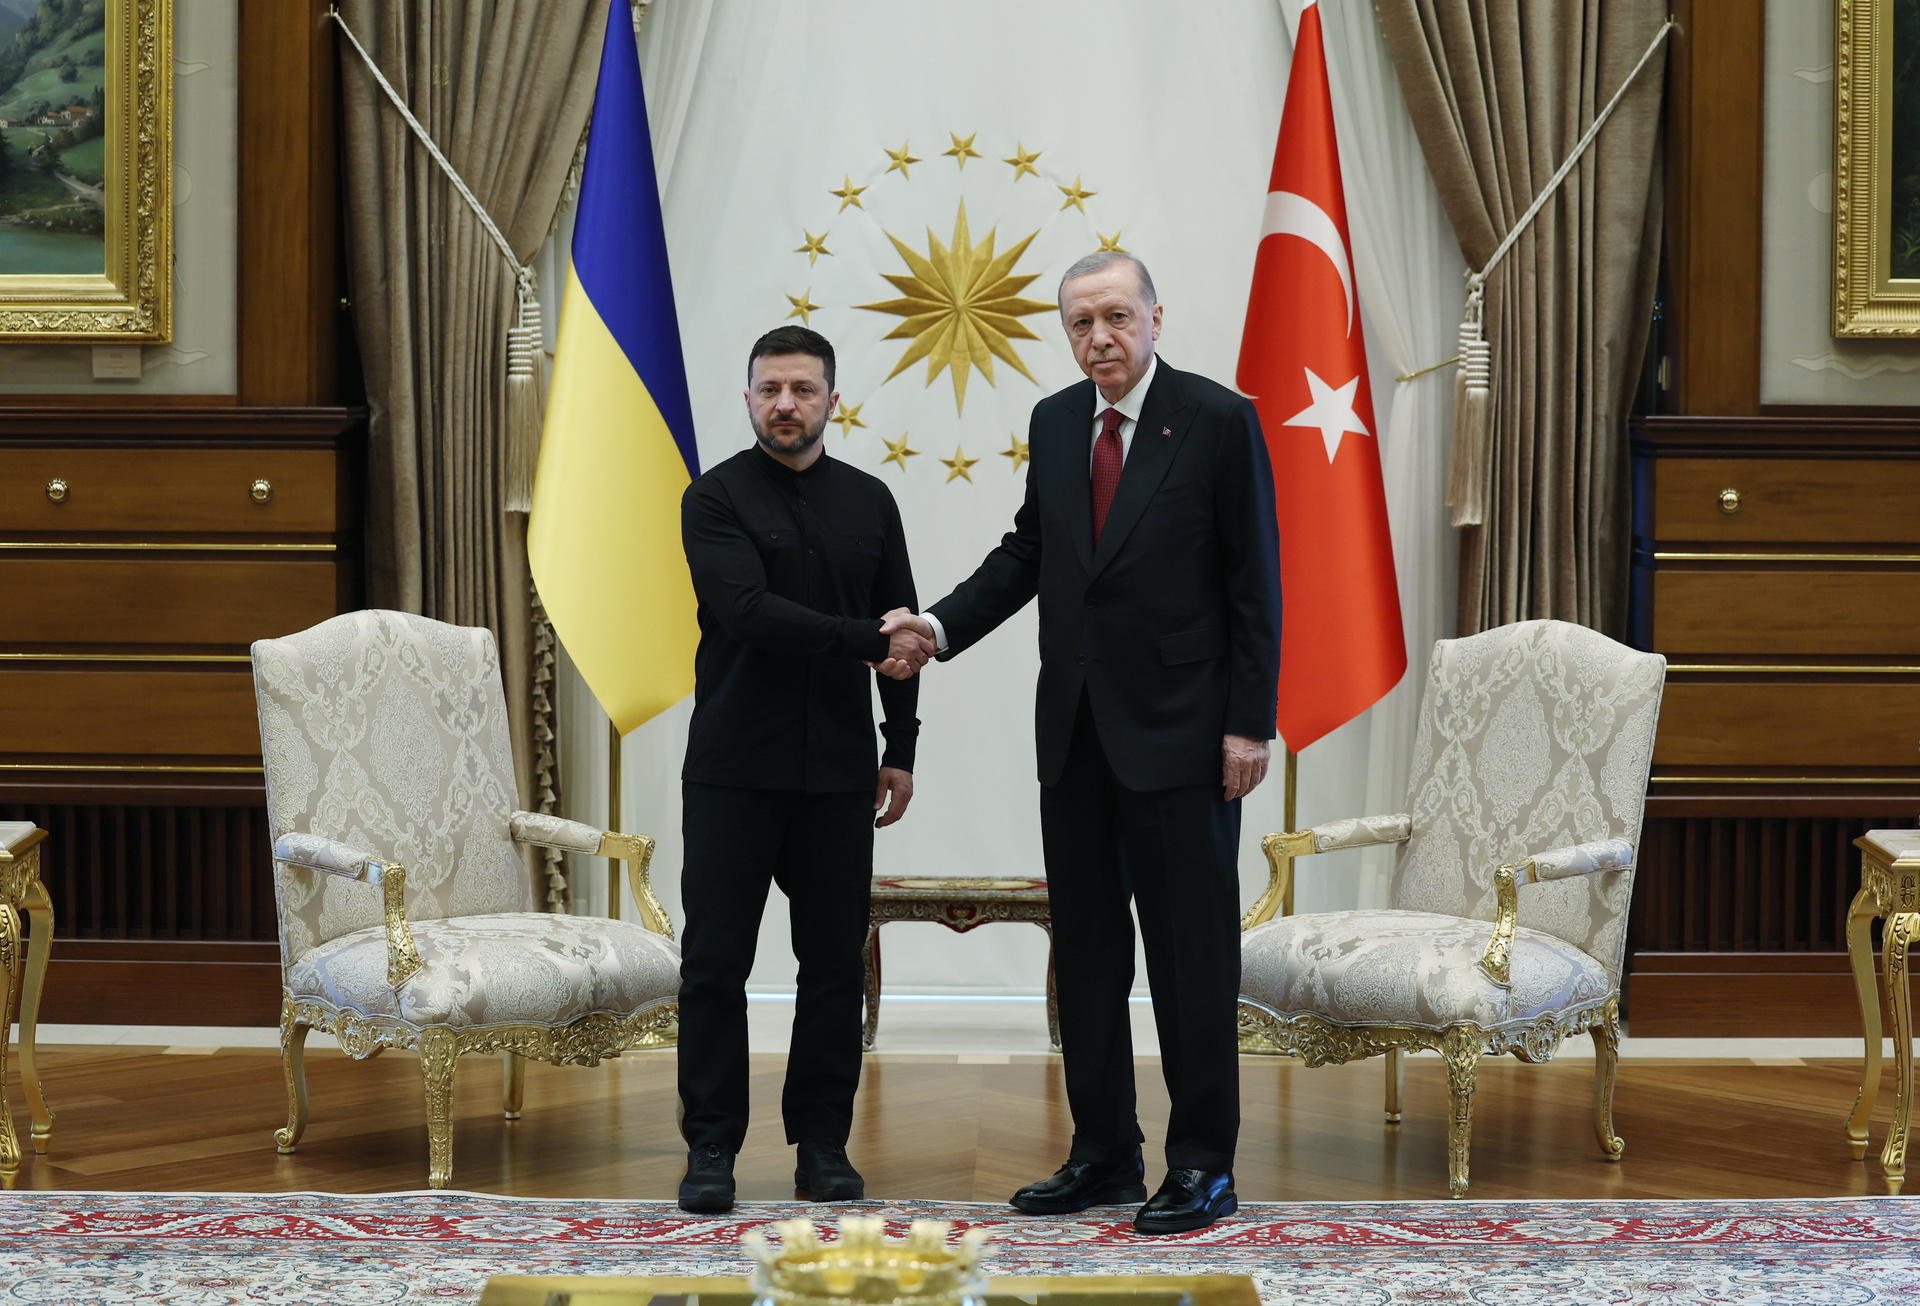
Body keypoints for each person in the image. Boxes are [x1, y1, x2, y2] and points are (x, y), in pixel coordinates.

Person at [879, 252, 1281, 1234]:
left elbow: (1254, 582)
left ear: (1154, 315)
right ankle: (1104, 1151)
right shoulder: (1058, 422)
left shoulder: (1221, 420)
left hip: (1188, 741)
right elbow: (1032, 552)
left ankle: (1201, 1165)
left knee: (1192, 961)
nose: (1098, 337)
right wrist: (939, 626)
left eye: (1114, 317)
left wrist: (1248, 721)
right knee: (1092, 954)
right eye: (1079, 323)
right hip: (1077, 737)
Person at [675, 324, 936, 1213]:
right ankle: (710, 1149)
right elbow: (748, 613)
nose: (786, 404)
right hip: (732, 771)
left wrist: (899, 747)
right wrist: (869, 642)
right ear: (747, 399)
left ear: (833, 399)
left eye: (802, 389)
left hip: (836, 774)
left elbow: (902, 627)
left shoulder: (872, 501)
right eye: (769, 389)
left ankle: (822, 1145)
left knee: (831, 968)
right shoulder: (712, 499)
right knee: (715, 967)